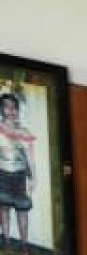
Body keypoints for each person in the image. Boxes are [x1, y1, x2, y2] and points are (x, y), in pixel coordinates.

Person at [0, 92, 32, 246]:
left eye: (14, 107)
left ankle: (24, 245)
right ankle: (6, 241)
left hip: (20, 177)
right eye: (7, 106)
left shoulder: (23, 131)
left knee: (22, 210)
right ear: (1, 109)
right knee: (4, 209)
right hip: (2, 175)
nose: (11, 110)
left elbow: (29, 157)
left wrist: (32, 176)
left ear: (17, 110)